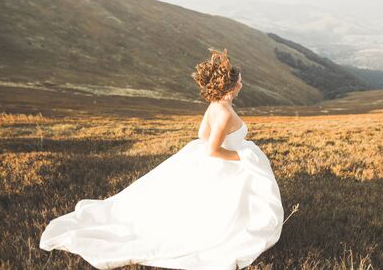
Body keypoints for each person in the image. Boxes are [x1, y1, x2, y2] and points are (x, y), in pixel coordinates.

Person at [39, 48, 285, 270]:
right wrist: (243, 155)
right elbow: (211, 150)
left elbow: (201, 134)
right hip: (227, 165)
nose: (242, 83)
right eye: (240, 81)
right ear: (231, 85)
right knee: (221, 217)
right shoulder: (222, 113)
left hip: (221, 161)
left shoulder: (216, 105)